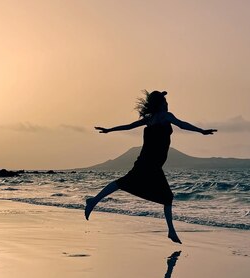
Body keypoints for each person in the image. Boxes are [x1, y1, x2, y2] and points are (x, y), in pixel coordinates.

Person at [84, 90, 217, 243]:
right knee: (165, 196)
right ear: (161, 104)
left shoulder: (149, 118)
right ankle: (171, 231)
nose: (167, 105)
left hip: (147, 161)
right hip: (151, 163)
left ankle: (94, 201)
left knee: (125, 183)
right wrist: (201, 131)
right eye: (165, 102)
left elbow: (129, 126)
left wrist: (109, 130)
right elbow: (182, 125)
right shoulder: (165, 116)